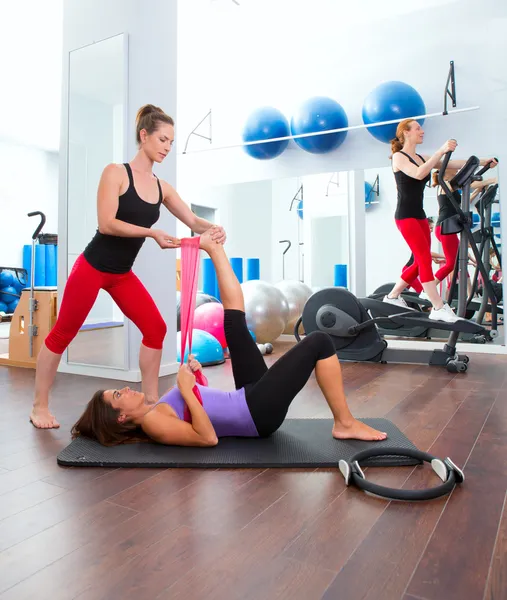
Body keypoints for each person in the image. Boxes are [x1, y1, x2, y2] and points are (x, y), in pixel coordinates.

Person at [71, 229, 388, 448]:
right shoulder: (153, 425)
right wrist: (186, 390)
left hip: (246, 398)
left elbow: (207, 409)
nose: (126, 389)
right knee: (319, 341)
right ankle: (344, 423)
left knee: (233, 321)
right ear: (122, 416)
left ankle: (215, 250)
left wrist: (195, 380)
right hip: (256, 414)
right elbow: (207, 439)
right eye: (117, 395)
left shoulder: (156, 411)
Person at [31, 104, 226, 430]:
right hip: (92, 267)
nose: (166, 147)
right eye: (162, 139)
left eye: (171, 142)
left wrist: (214, 229)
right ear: (144, 135)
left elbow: (192, 220)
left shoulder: (162, 187)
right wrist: (151, 232)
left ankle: (150, 403)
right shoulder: (115, 173)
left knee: (156, 328)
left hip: (121, 274)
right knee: (63, 332)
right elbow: (107, 223)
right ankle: (39, 406)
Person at [383, 118, 496, 323]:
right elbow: (418, 174)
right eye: (418, 128)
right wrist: (440, 151)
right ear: (406, 133)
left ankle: (392, 296)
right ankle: (437, 306)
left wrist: (483, 161)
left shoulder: (420, 156)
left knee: (419, 261)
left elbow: (453, 164)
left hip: (420, 216)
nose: (422, 131)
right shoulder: (398, 157)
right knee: (424, 258)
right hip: (405, 216)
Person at [432, 168, 498, 286]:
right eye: (452, 169)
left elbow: (463, 203)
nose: (456, 170)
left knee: (460, 261)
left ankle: (470, 293)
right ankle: (428, 289)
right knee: (451, 264)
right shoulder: (445, 184)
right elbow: (466, 184)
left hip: (447, 228)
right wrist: (492, 180)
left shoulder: (448, 188)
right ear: (445, 173)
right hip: (445, 228)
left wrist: (477, 191)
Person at [402, 217, 445, 294]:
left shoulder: (425, 238)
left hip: (413, 271)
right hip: (409, 270)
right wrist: (445, 256)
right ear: (425, 226)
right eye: (430, 228)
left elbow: (424, 255)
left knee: (403, 292)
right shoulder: (419, 238)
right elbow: (427, 253)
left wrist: (435, 259)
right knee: (422, 292)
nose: (432, 230)